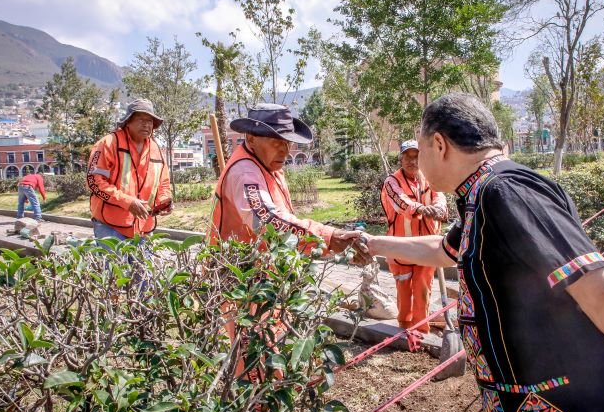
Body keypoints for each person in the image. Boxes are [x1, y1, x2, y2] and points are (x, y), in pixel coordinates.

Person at [358, 93, 604, 412]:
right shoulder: (480, 196)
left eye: (423, 149)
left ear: (439, 144)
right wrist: (375, 244)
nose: (421, 162)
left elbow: (600, 287)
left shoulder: (506, 192)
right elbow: (444, 250)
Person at [206, 103, 363, 254]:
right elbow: (266, 221)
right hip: (239, 274)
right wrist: (328, 237)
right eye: (276, 142)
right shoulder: (245, 172)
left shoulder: (270, 166)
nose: (285, 151)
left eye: (287, 142)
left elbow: (283, 221)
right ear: (251, 138)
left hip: (267, 269)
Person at [381, 140, 447, 335]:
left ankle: (421, 331)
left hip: (426, 246)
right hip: (401, 247)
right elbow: (401, 202)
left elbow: (440, 198)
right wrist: (422, 209)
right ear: (400, 158)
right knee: (404, 287)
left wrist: (439, 209)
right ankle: (404, 328)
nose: (412, 161)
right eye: (407, 157)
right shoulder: (391, 182)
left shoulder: (429, 179)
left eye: (416, 156)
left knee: (423, 288)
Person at [86, 98, 172, 240]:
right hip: (110, 226)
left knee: (144, 263)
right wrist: (127, 202)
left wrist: (165, 201)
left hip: (144, 227)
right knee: (114, 263)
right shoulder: (108, 143)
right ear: (128, 121)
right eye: (141, 119)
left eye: (150, 121)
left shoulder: (155, 148)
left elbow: (163, 183)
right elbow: (94, 181)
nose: (146, 124)